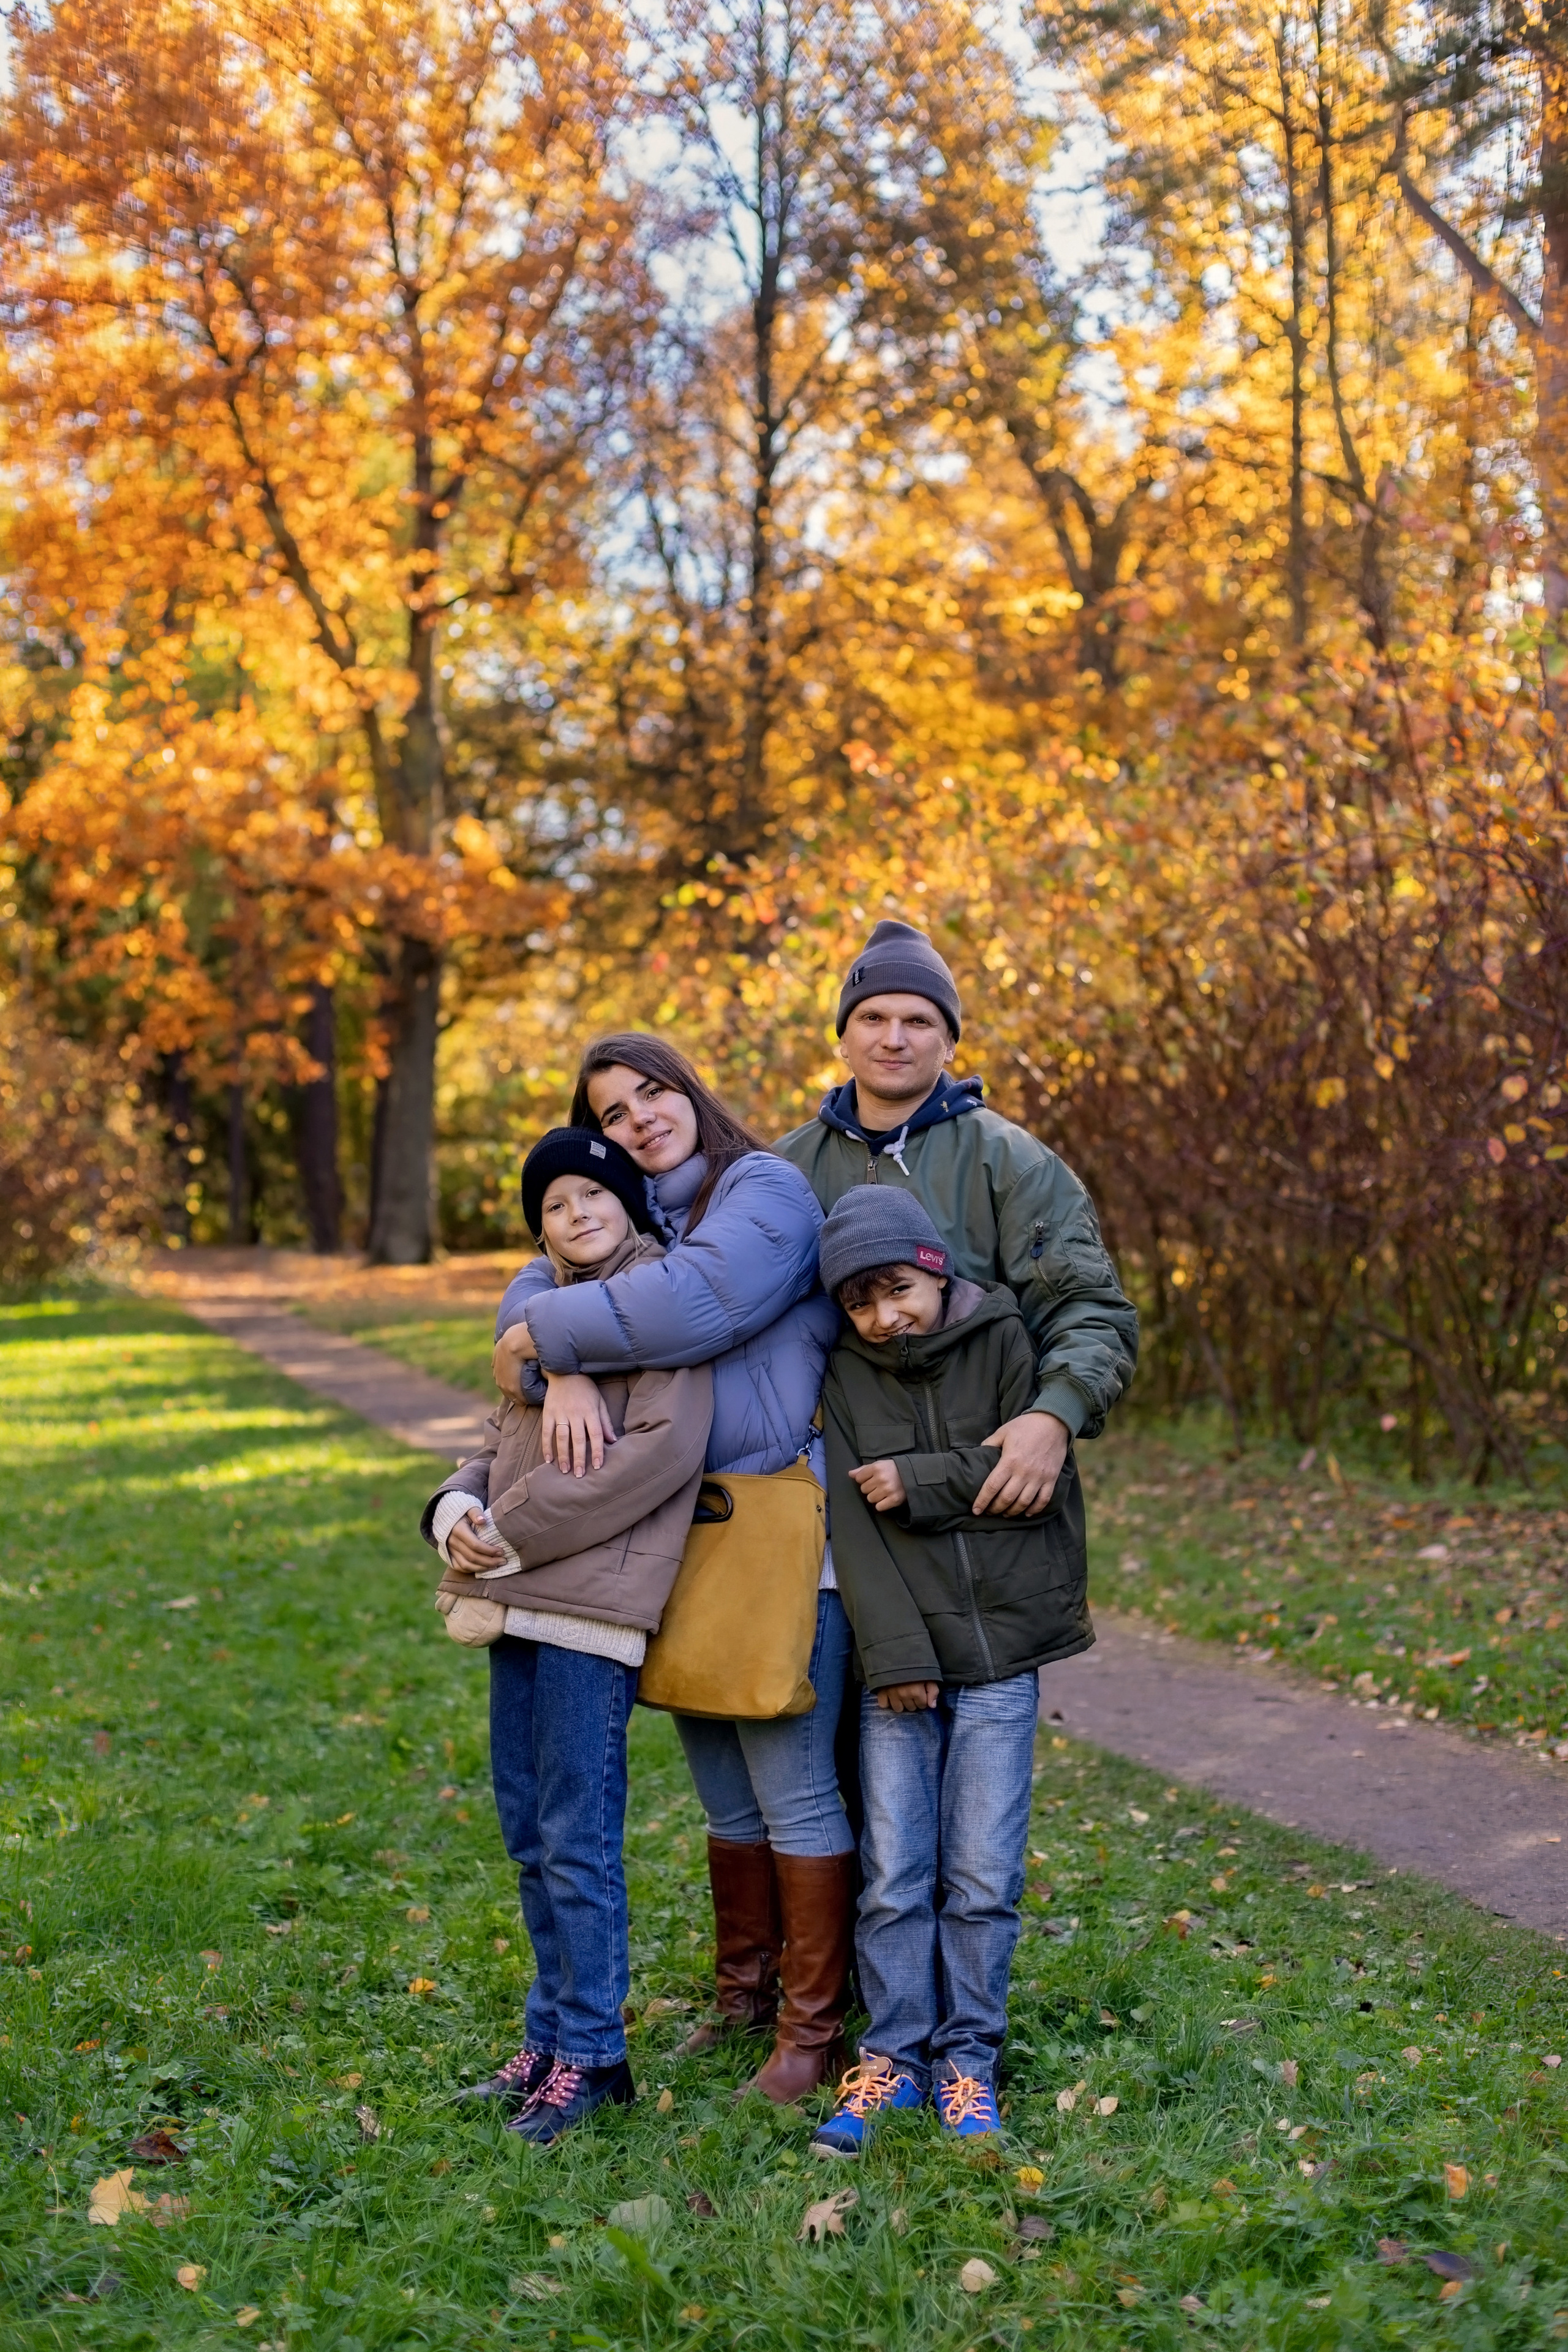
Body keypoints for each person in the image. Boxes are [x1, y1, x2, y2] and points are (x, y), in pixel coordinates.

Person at [489, 1036, 855, 2103]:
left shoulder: (764, 1192)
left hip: (778, 1526)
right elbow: (536, 1271)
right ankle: (743, 1999)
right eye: (612, 1112)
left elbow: (690, 1308)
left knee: (790, 1781)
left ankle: (811, 2029)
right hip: (681, 1535)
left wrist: (548, 1349)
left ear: (693, 1090)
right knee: (723, 1792)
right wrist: (545, 1346)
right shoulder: (635, 1222)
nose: (642, 1117)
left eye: (654, 1091)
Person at [419, 1128, 713, 2146]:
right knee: (530, 1827)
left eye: (596, 1194)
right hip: (518, 1597)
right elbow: (496, 1439)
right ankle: (548, 2042)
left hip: (591, 1607)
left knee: (579, 1838)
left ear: (628, 1205)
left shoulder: (662, 1302)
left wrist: (511, 1535)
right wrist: (453, 1508)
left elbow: (658, 1457)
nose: (578, 1213)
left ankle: (596, 2056)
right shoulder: (542, 1317)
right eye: (556, 1203)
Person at [804, 1185, 1092, 2155]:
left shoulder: (1006, 1340)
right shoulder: (847, 1374)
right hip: (907, 1663)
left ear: (934, 1270)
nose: (884, 1317)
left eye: (896, 1291)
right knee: (895, 1875)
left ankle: (967, 2063)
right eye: (859, 1302)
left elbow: (1034, 1491)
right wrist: (893, 1657)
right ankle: (892, 2060)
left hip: (1004, 1656)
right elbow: (855, 1522)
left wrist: (921, 1484)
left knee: (980, 1874)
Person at [778, 919, 1138, 1522]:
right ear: (843, 1038)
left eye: (918, 1021)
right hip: (830, 1495)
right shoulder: (783, 1169)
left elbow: (1088, 1307)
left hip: (981, 1481)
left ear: (948, 1044)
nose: (893, 1038)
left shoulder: (1012, 1162)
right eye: (872, 1018)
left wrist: (1053, 1417)